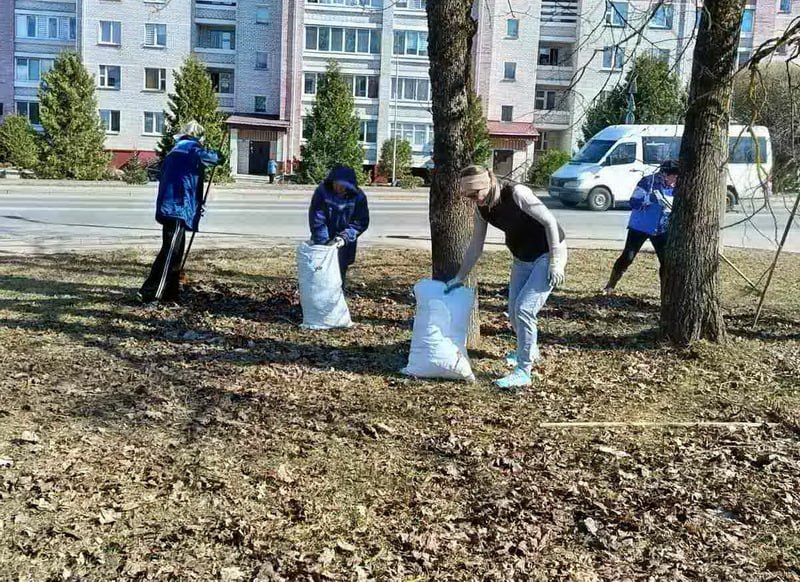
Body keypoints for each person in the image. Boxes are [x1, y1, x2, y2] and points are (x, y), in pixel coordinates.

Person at [446, 165, 567, 389]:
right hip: (521, 258)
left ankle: (524, 371)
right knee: (513, 312)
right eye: (468, 196)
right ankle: (530, 349)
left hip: (547, 254)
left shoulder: (517, 193)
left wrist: (556, 262)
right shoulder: (482, 208)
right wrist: (460, 277)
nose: (474, 199)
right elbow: (475, 246)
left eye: (476, 193)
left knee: (524, 310)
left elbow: (550, 222)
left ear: (488, 183)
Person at [137, 121, 222, 303]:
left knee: (175, 252)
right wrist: (219, 153)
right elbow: (214, 158)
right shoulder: (191, 149)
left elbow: (185, 178)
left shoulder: (175, 150)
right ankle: (151, 293)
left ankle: (171, 294)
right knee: (170, 253)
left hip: (172, 206)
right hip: (177, 207)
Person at [603, 159, 679, 294]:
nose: (675, 181)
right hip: (640, 227)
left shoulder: (677, 186)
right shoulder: (647, 182)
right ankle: (610, 285)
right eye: (674, 177)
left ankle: (665, 293)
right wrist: (648, 200)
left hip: (661, 229)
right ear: (664, 174)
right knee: (628, 256)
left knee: (666, 262)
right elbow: (633, 202)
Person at [308, 164, 370, 288]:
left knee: (339, 276)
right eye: (336, 183)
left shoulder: (358, 197)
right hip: (322, 243)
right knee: (319, 275)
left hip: (345, 245)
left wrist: (344, 238)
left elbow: (361, 222)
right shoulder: (322, 192)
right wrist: (324, 243)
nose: (338, 187)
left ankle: (337, 296)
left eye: (343, 185)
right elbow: (317, 219)